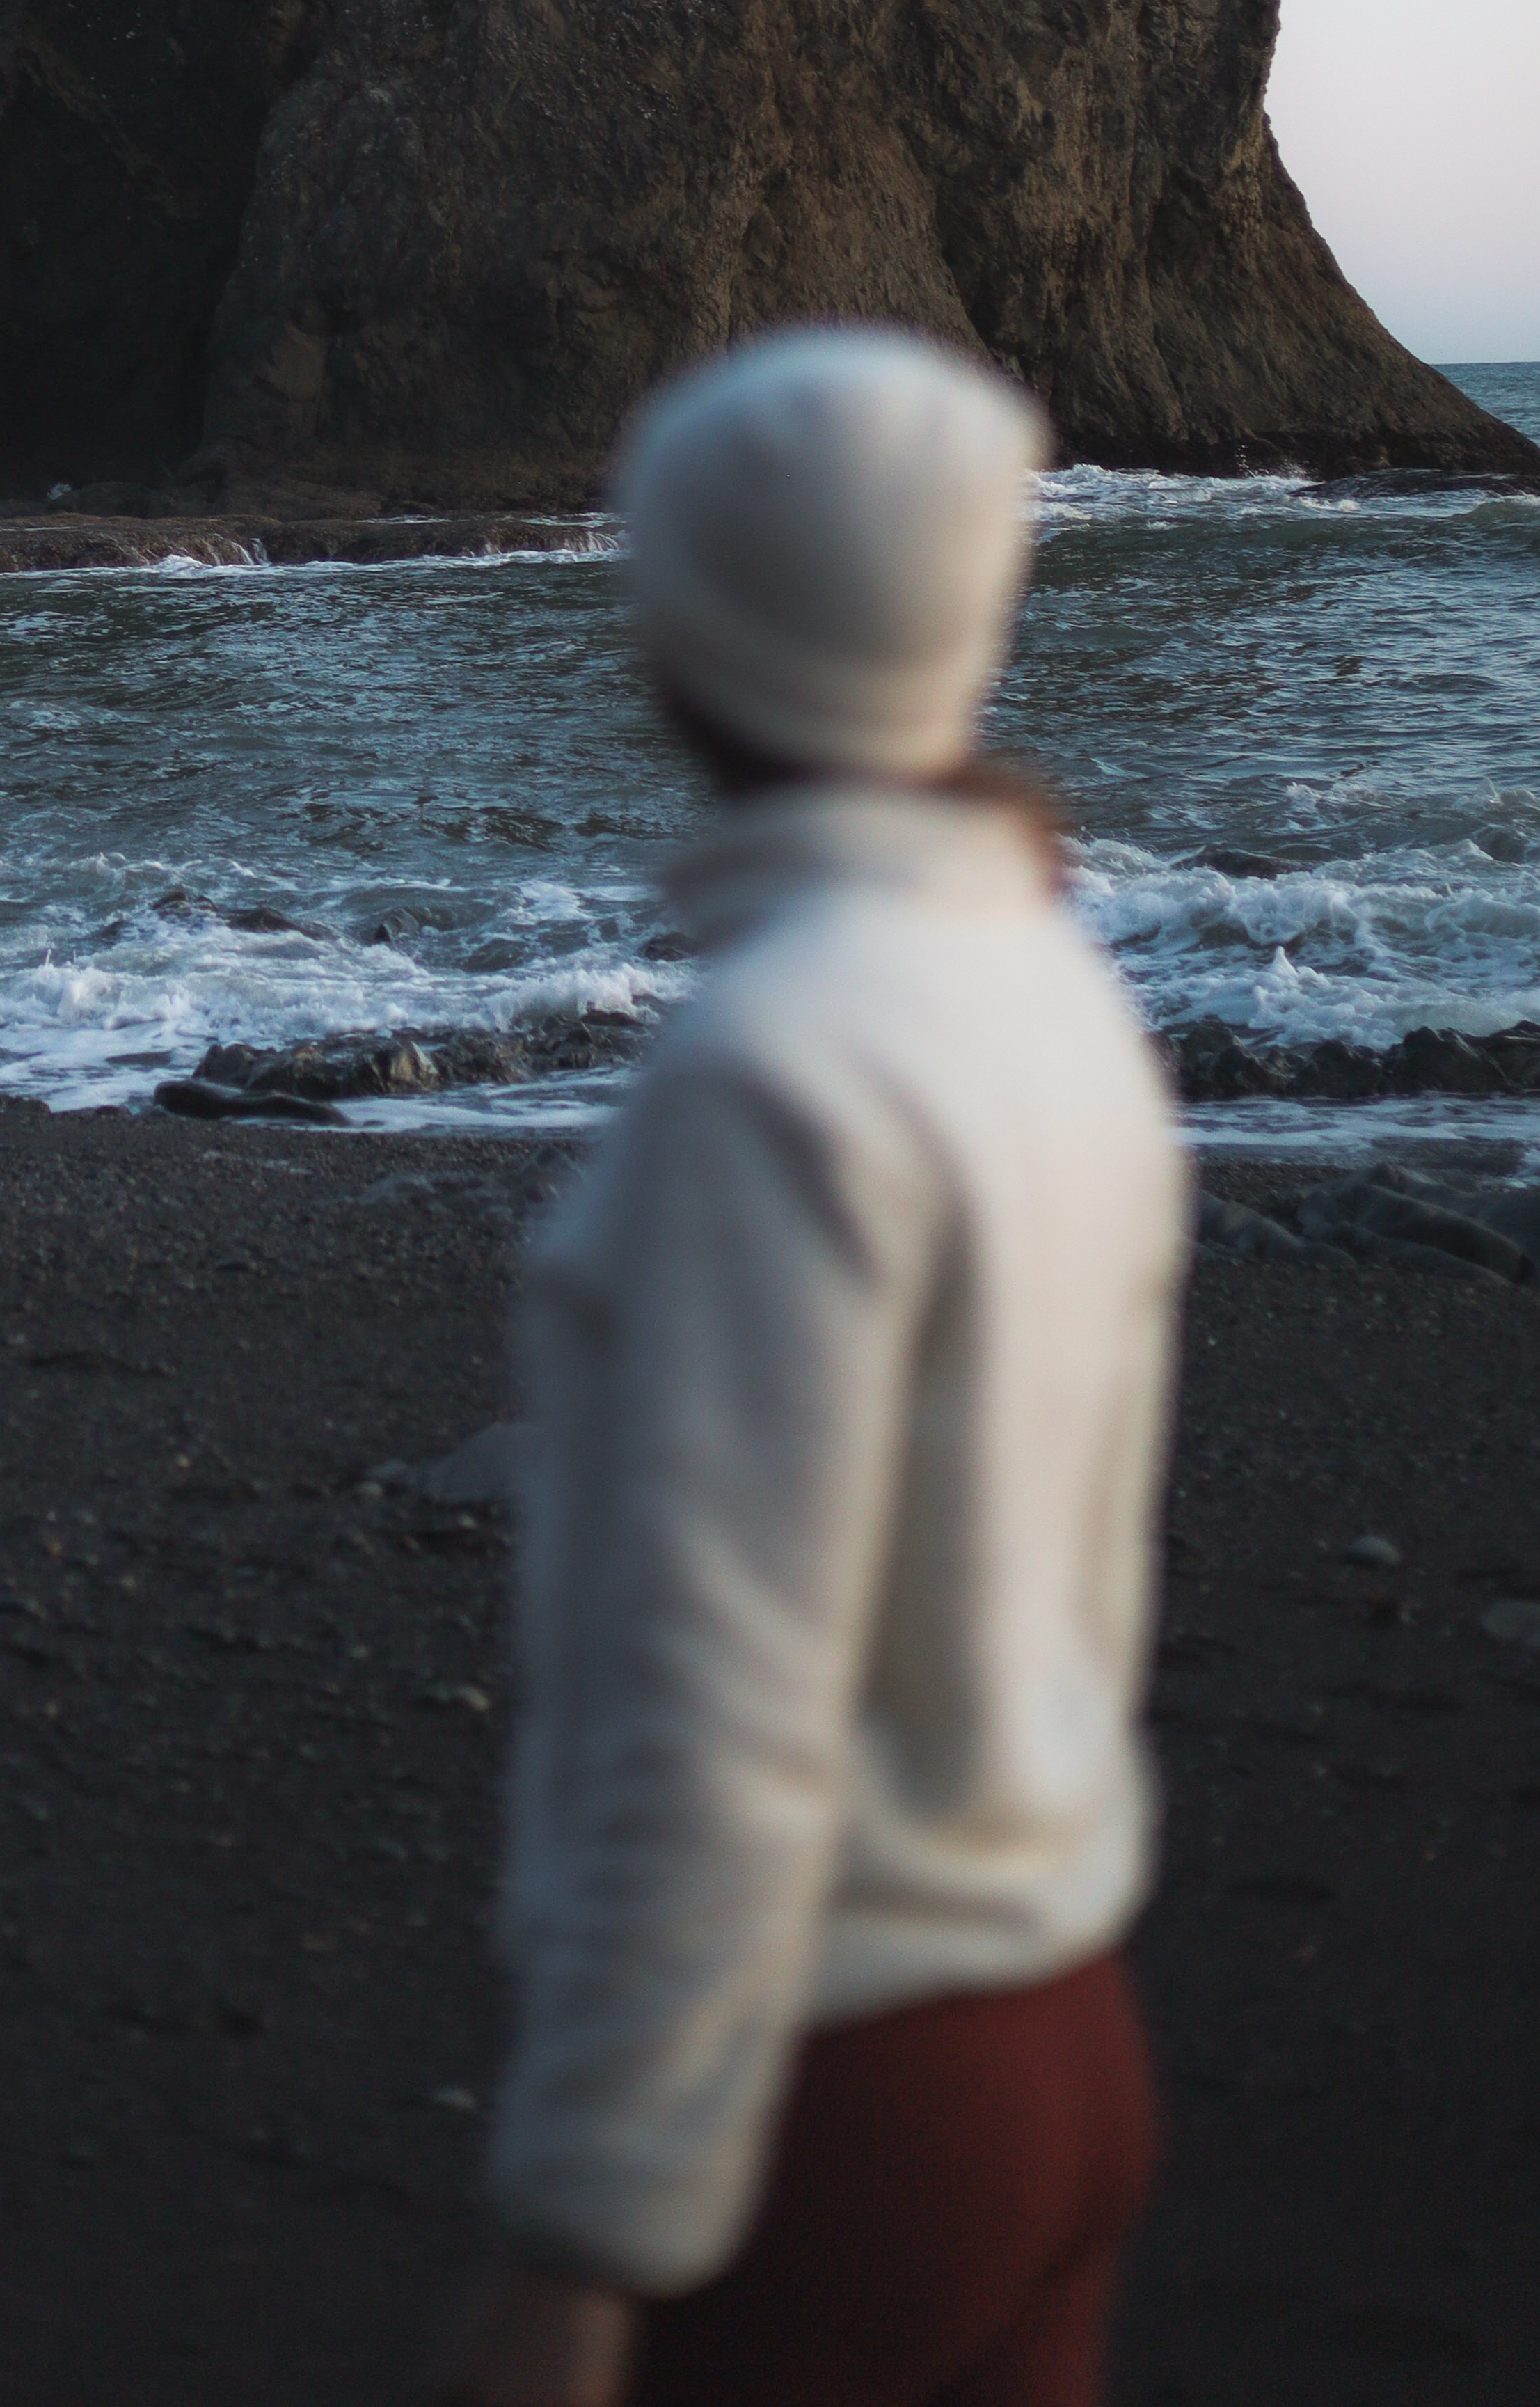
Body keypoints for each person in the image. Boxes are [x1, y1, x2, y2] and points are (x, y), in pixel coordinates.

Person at [433, 328, 1185, 2407]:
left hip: (840, 2100)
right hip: (1061, 2021)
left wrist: (588, 2226)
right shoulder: (1048, 993)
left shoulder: (772, 1075)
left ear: (683, 639)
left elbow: (722, 1709)